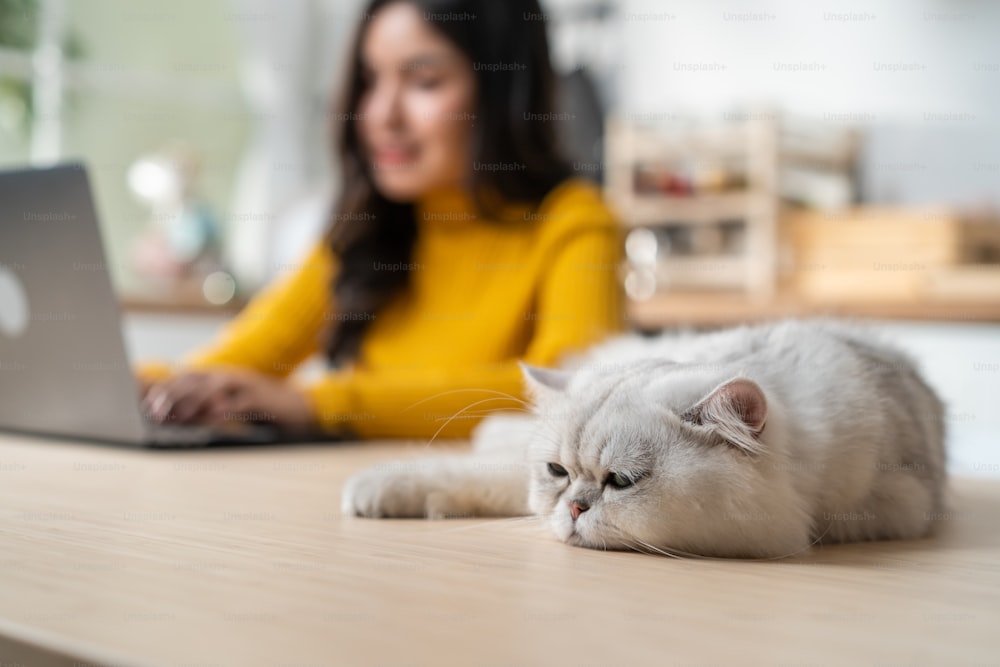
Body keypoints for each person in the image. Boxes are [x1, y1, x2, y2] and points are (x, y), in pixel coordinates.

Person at [137, 0, 623, 440]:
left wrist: (319, 402)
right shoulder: (367, 228)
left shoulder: (574, 221)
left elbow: (569, 391)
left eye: (423, 81)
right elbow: (245, 355)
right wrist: (141, 383)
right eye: (370, 81)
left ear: (504, 92)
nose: (380, 114)